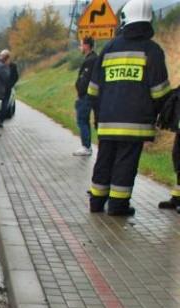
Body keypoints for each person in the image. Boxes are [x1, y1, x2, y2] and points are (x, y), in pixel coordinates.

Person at [86, 0, 170, 216]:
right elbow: (159, 91)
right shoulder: (152, 50)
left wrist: (98, 115)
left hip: (106, 119)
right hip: (136, 123)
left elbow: (93, 89)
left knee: (104, 160)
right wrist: (157, 114)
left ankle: (96, 203)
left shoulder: (109, 47)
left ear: (125, 19)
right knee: (125, 163)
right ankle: (117, 206)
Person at [73, 36, 98, 156]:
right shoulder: (93, 58)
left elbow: (85, 79)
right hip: (89, 94)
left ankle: (86, 146)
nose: (80, 47)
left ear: (87, 46)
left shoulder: (90, 60)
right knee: (84, 120)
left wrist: (80, 91)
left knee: (82, 119)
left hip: (86, 95)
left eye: (81, 45)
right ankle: (87, 146)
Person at [0, 60, 19, 128]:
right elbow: (16, 77)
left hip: (0, 88)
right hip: (7, 87)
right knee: (5, 103)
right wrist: (11, 84)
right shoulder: (12, 65)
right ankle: (1, 120)